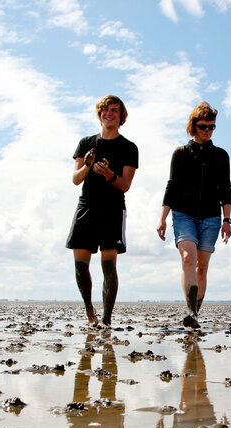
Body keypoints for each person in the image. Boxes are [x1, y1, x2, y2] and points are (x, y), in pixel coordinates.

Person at [157, 101, 231, 329]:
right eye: (203, 126)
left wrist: (227, 220)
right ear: (193, 126)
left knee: (202, 267)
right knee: (188, 258)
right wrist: (162, 217)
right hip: (183, 214)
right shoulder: (180, 153)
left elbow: (225, 189)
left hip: (211, 216)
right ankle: (191, 312)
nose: (208, 131)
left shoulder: (221, 156)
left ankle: (195, 315)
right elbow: (171, 186)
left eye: (212, 127)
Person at [66, 94, 138, 328]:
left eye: (115, 110)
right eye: (105, 110)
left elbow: (125, 185)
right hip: (86, 206)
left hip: (113, 209)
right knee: (80, 265)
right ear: (99, 114)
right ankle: (90, 310)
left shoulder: (129, 147)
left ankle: (106, 318)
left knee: (109, 265)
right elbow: (76, 179)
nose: (109, 114)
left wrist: (109, 175)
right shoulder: (86, 142)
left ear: (121, 116)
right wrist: (87, 165)